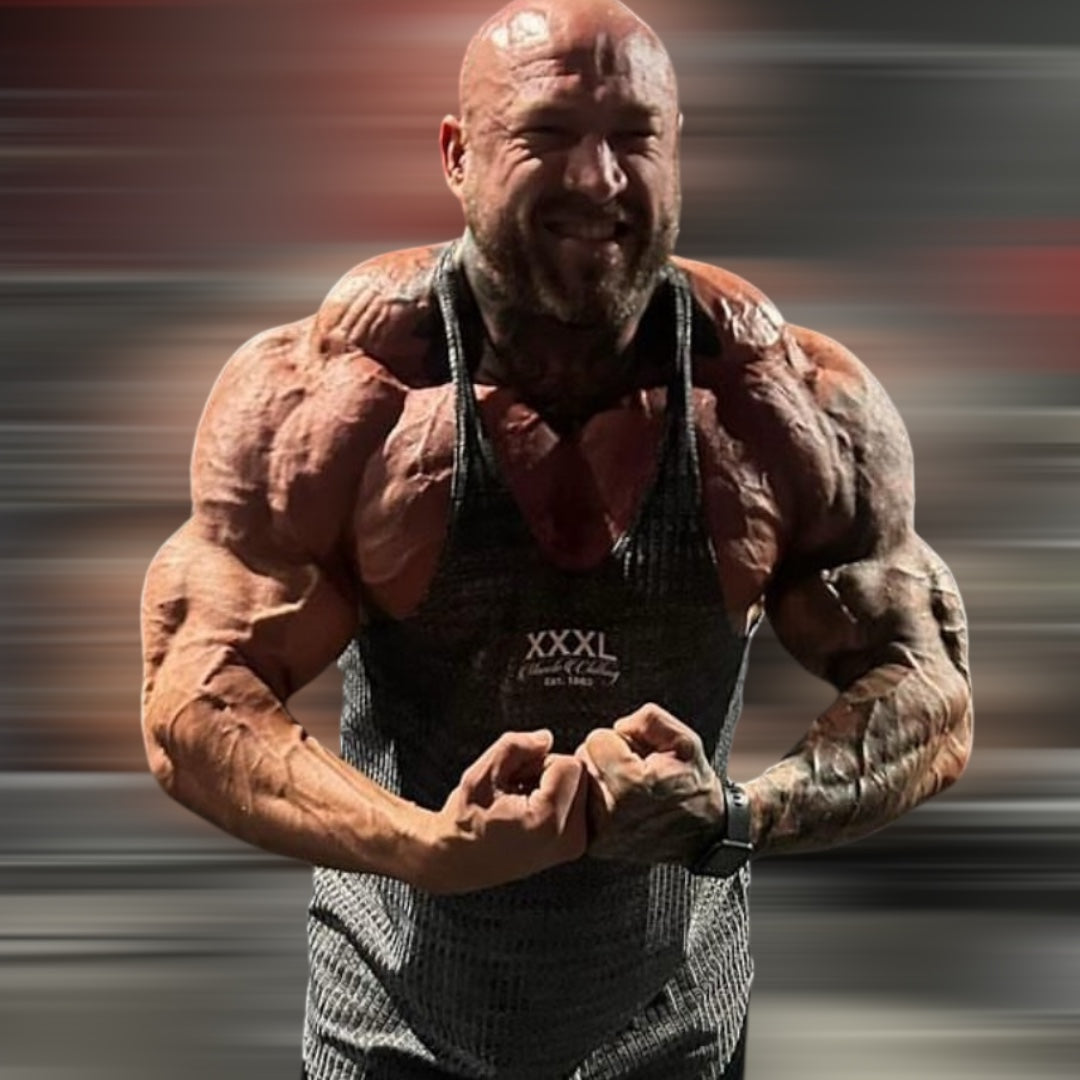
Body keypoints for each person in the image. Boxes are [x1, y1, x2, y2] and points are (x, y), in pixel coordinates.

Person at [139, 1, 974, 1076]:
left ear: (676, 151)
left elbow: (930, 695)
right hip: (391, 1031)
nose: (598, 178)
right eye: (547, 134)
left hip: (677, 1034)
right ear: (457, 155)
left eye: (634, 136)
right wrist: (428, 850)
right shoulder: (339, 398)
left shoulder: (778, 403)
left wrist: (735, 815)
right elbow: (192, 708)